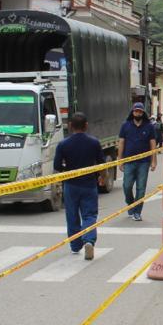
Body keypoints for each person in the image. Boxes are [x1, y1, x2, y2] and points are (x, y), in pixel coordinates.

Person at [53, 112, 105, 261]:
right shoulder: (94, 142)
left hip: (71, 184)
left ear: (70, 126)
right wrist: (102, 176)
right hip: (89, 184)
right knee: (89, 215)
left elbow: (57, 166)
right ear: (86, 126)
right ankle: (89, 240)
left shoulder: (63, 144)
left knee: (72, 215)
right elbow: (101, 163)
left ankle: (75, 245)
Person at [118, 102, 157, 222]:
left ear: (143, 113)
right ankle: (131, 204)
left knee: (141, 188)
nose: (138, 113)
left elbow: (153, 143)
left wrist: (153, 160)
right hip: (129, 161)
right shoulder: (126, 125)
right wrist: (120, 159)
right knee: (127, 186)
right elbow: (121, 142)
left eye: (140, 111)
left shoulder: (149, 126)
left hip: (144, 162)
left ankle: (137, 212)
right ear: (132, 112)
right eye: (136, 111)